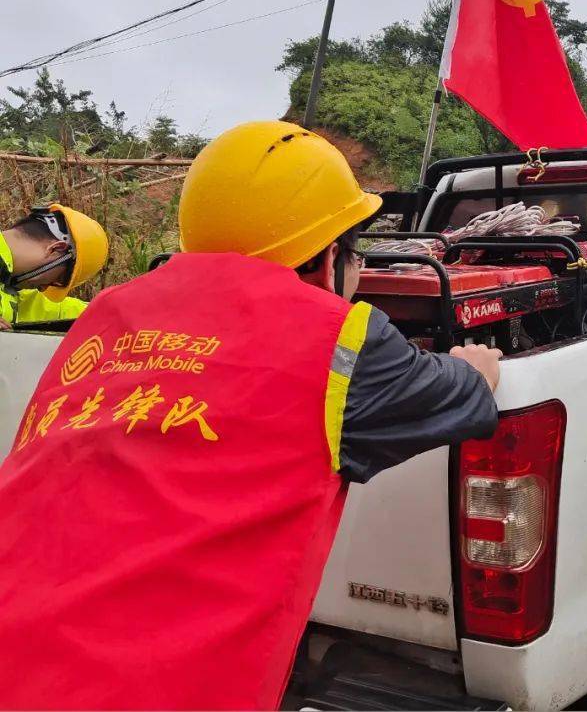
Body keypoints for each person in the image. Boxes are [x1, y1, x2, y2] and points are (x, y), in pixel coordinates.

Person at [0, 122, 503, 710]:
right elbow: (463, 397)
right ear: (330, 257)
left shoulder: (109, 312)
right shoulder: (340, 339)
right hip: (136, 689)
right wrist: (477, 367)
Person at [0, 203, 108, 330]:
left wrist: (115, 311)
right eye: (59, 279)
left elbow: (58, 309)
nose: (43, 288)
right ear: (55, 249)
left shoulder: (10, 290)